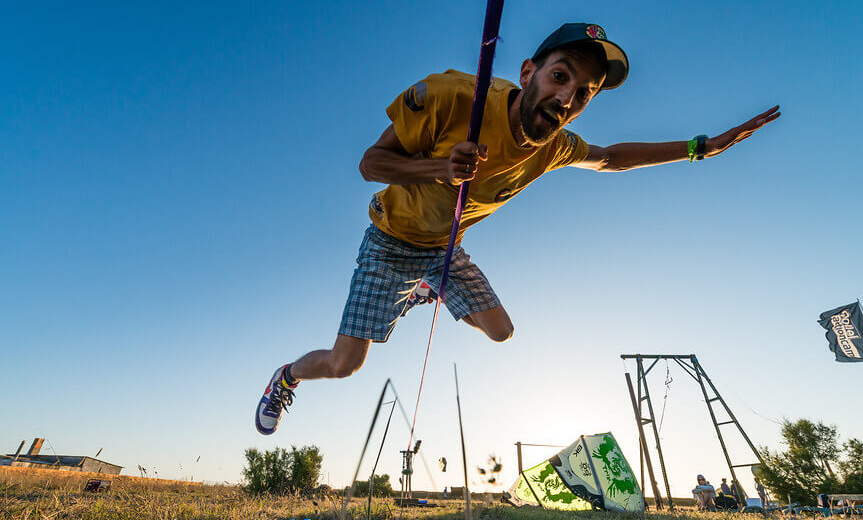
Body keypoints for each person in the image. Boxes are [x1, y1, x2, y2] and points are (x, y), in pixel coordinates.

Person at [254, 22, 780, 434]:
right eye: (561, 76)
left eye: (585, 93)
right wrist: (438, 168)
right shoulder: (453, 98)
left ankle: (426, 289)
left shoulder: (555, 147)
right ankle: (286, 377)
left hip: (445, 249)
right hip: (391, 245)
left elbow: (612, 157)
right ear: (529, 71)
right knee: (344, 364)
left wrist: (699, 148)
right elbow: (370, 164)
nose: (568, 98)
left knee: (502, 332)